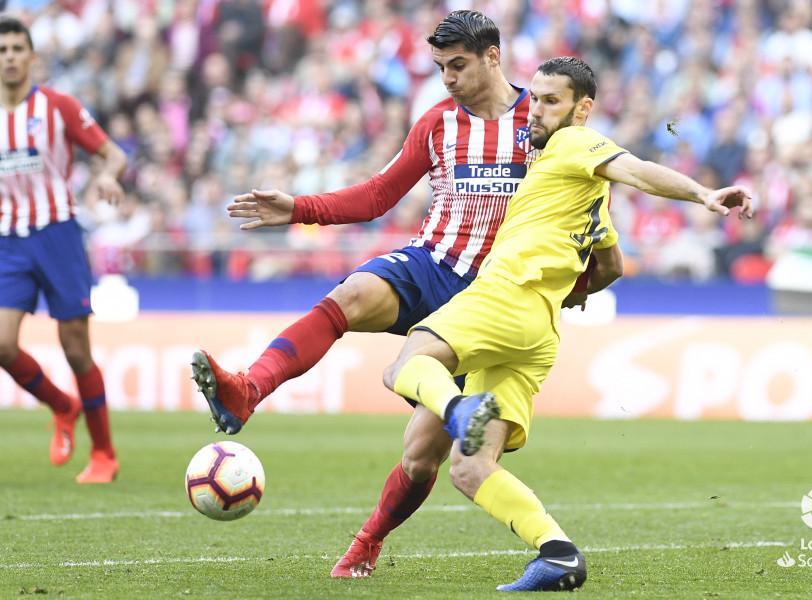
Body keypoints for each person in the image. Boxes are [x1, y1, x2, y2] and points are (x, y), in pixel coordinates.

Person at [190, 10, 623, 578]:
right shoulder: (438, 122)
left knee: (421, 458)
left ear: (493, 56)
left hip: (491, 297)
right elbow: (379, 195)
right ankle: (248, 389)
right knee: (348, 297)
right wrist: (299, 208)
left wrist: (570, 284)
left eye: (458, 65)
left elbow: (587, 218)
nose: (448, 78)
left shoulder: (544, 122)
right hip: (432, 263)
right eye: (441, 67)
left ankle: (368, 542)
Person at [382, 56, 753, 591]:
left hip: (505, 295)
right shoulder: (583, 190)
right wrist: (573, 290)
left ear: (582, 109)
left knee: (406, 365)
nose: (535, 110)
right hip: (537, 331)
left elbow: (635, 169)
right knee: (469, 467)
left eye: (551, 101)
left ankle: (458, 408)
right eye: (533, 98)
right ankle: (557, 553)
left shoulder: (575, 144)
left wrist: (702, 194)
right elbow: (612, 266)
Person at [0, 17, 127, 483]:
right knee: (2, 344)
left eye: (17, 48)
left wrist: (108, 175)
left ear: (32, 57)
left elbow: (114, 153)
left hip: (58, 236)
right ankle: (61, 405)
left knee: (75, 350)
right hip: (8, 240)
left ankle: (104, 454)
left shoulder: (58, 106)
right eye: (2, 50)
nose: (10, 57)